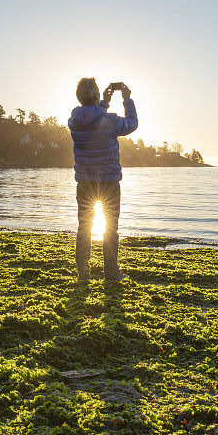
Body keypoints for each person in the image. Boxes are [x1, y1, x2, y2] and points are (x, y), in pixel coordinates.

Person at [68, 78, 138, 282]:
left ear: (79, 97)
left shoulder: (74, 122)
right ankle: (111, 274)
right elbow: (132, 124)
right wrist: (127, 100)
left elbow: (90, 117)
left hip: (84, 183)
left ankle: (83, 274)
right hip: (108, 182)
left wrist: (104, 102)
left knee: (84, 227)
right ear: (96, 95)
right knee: (110, 227)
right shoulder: (110, 122)